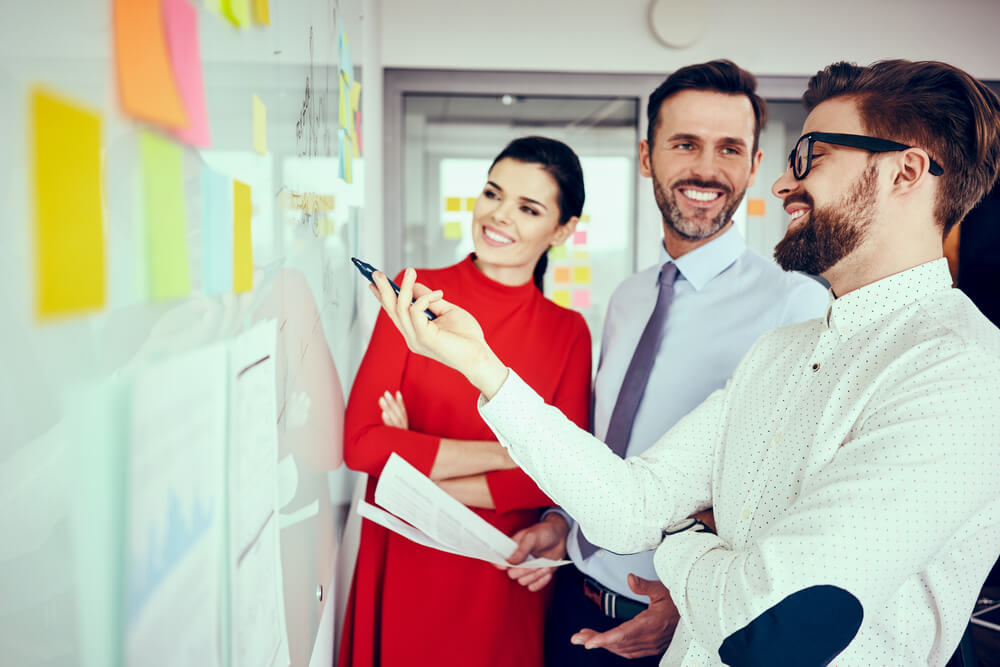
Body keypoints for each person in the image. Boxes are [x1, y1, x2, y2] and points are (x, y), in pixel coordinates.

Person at [369, 59, 1000, 666]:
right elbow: (629, 506)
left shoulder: (961, 373)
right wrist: (482, 365)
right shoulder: (780, 353)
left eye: (812, 156)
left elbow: (770, 627)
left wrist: (680, 542)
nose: (784, 184)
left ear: (906, 172)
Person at [502, 61, 828, 666]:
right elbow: (611, 436)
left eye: (729, 148)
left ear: (755, 166)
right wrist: (560, 518)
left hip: (681, 629)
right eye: (685, 144)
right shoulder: (628, 297)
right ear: (647, 156)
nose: (706, 168)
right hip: (574, 599)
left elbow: (791, 491)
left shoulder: (797, 303)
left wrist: (686, 601)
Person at [337, 136, 593, 667]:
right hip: (406, 560)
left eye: (528, 208)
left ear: (563, 230)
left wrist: (410, 466)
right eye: (493, 194)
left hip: (502, 571)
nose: (499, 216)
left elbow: (556, 477)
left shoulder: (567, 332)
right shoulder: (414, 295)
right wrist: (511, 452)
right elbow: (363, 448)